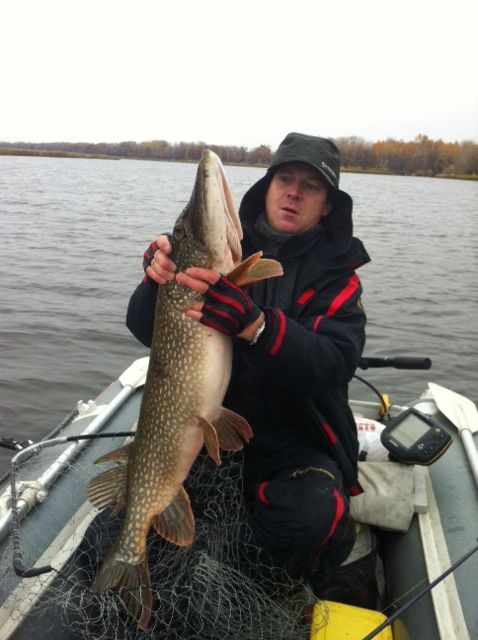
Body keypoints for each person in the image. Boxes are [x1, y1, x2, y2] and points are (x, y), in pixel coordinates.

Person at [126, 132, 371, 586]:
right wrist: (154, 283)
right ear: (268, 187)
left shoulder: (337, 275)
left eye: (310, 186)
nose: (293, 193)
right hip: (213, 430)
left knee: (312, 513)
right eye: (285, 180)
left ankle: (237, 587)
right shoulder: (220, 250)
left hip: (293, 438)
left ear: (327, 206)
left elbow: (334, 364)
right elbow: (146, 331)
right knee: (118, 523)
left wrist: (257, 326)